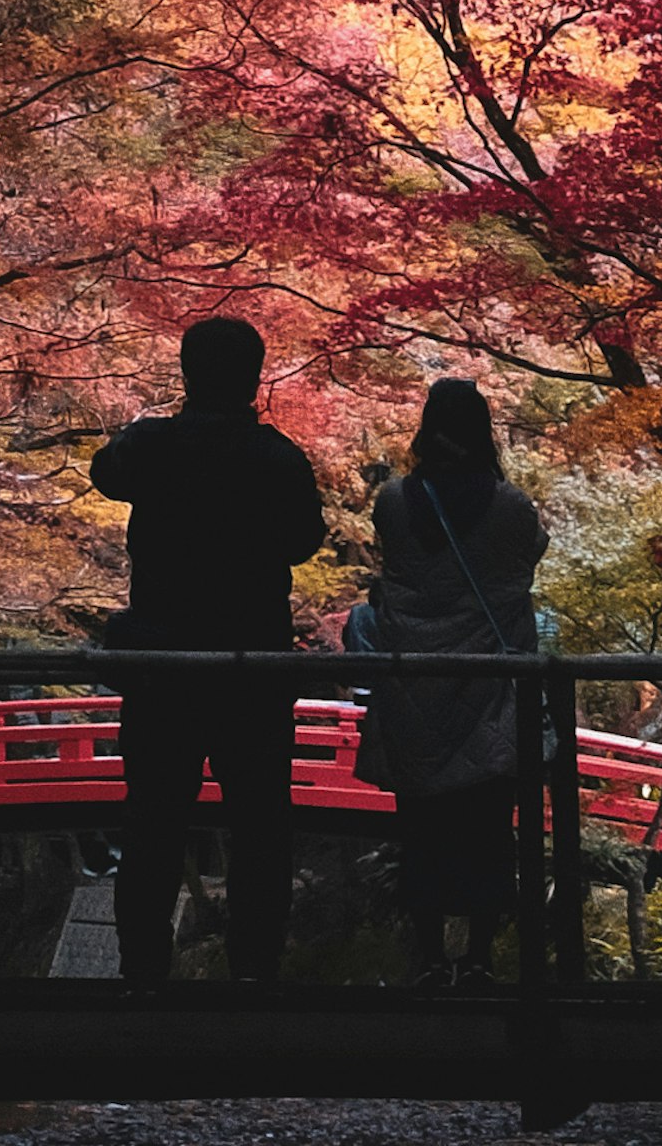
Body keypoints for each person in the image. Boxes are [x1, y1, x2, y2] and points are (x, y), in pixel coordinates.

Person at [89, 315, 330, 991]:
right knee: (260, 825)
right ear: (255, 376)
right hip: (250, 665)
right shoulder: (276, 459)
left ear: (187, 371)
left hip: (162, 664)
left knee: (153, 823)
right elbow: (303, 541)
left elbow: (105, 471)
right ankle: (255, 972)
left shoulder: (153, 448)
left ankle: (143, 973)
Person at [352, 378, 551, 986]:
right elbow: (528, 559)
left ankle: (432, 957)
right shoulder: (511, 507)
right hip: (489, 683)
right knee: (490, 827)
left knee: (421, 829)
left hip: (413, 681)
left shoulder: (392, 502)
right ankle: (483, 958)